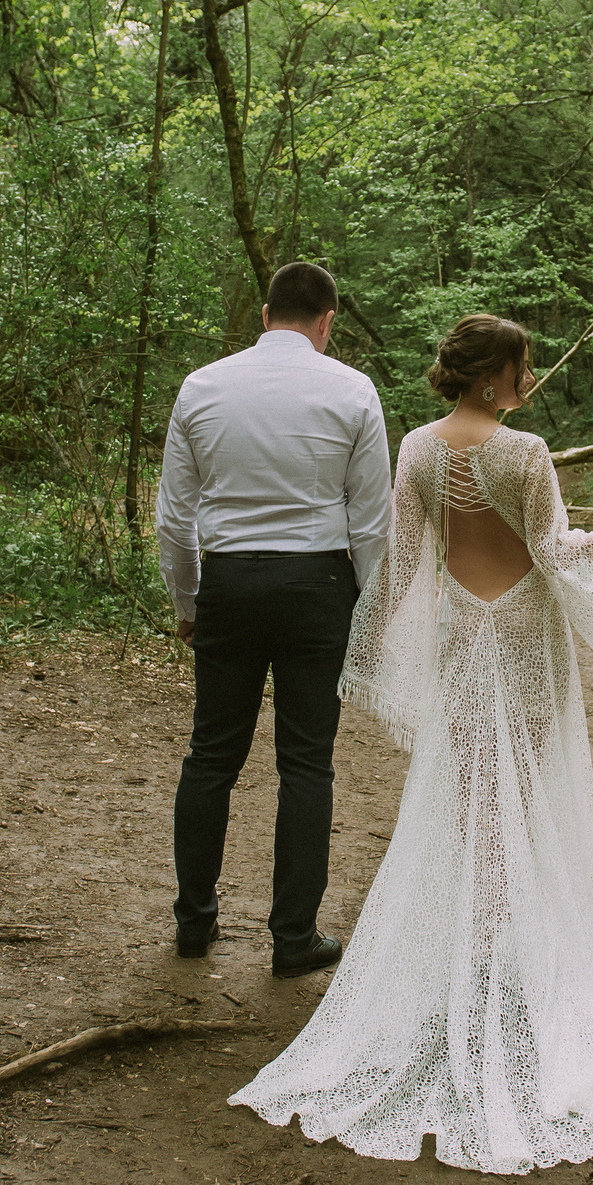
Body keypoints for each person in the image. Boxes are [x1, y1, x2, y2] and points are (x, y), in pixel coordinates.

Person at [231, 314, 593, 1174]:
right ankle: (498, 946)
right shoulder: (525, 453)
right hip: (523, 633)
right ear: (492, 375)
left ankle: (478, 942)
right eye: (522, 365)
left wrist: (370, 641)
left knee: (467, 790)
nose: (529, 377)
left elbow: (405, 559)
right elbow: (556, 553)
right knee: (520, 788)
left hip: (460, 628)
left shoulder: (417, 447)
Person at [157, 262, 391, 980]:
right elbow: (371, 523)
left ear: (265, 315)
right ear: (327, 321)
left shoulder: (202, 386)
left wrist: (189, 602)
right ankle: (293, 937)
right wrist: (369, 612)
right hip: (317, 586)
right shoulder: (353, 390)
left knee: (210, 755)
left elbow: (175, 518)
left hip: (229, 581)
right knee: (306, 762)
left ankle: (194, 922)